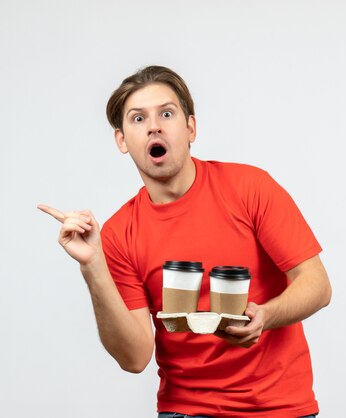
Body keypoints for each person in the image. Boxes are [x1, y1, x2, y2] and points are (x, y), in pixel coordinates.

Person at [38, 65, 331, 418]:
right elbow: (134, 358)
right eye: (137, 119)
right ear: (121, 140)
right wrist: (92, 265)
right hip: (187, 410)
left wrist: (266, 316)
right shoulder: (117, 235)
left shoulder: (251, 187)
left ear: (190, 127)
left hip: (281, 408)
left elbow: (316, 284)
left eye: (166, 113)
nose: (154, 126)